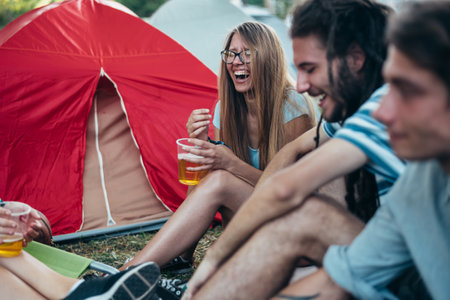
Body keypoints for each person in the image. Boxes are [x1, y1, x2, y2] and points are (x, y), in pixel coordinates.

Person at [181, 0, 408, 299]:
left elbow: (287, 188)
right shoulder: (345, 116)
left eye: (310, 69)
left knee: (307, 210)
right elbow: (293, 154)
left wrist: (215, 259)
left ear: (355, 59)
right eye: (232, 54)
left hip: (413, 274)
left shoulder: (382, 110)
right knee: (304, 226)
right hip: (382, 252)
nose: (301, 84)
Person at [276, 1, 449, 299]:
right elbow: (335, 282)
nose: (380, 112)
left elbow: (284, 189)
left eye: (405, 90)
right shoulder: (420, 185)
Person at [121, 21, 318, 274]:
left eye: (247, 53)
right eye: (231, 54)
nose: (236, 61)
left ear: (267, 58)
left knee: (222, 180)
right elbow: (207, 188)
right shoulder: (225, 109)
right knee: (216, 178)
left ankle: (129, 272)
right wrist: (202, 144)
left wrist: (230, 163)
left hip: (293, 224)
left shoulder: (292, 107)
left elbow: (292, 192)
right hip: (245, 225)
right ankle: (178, 257)